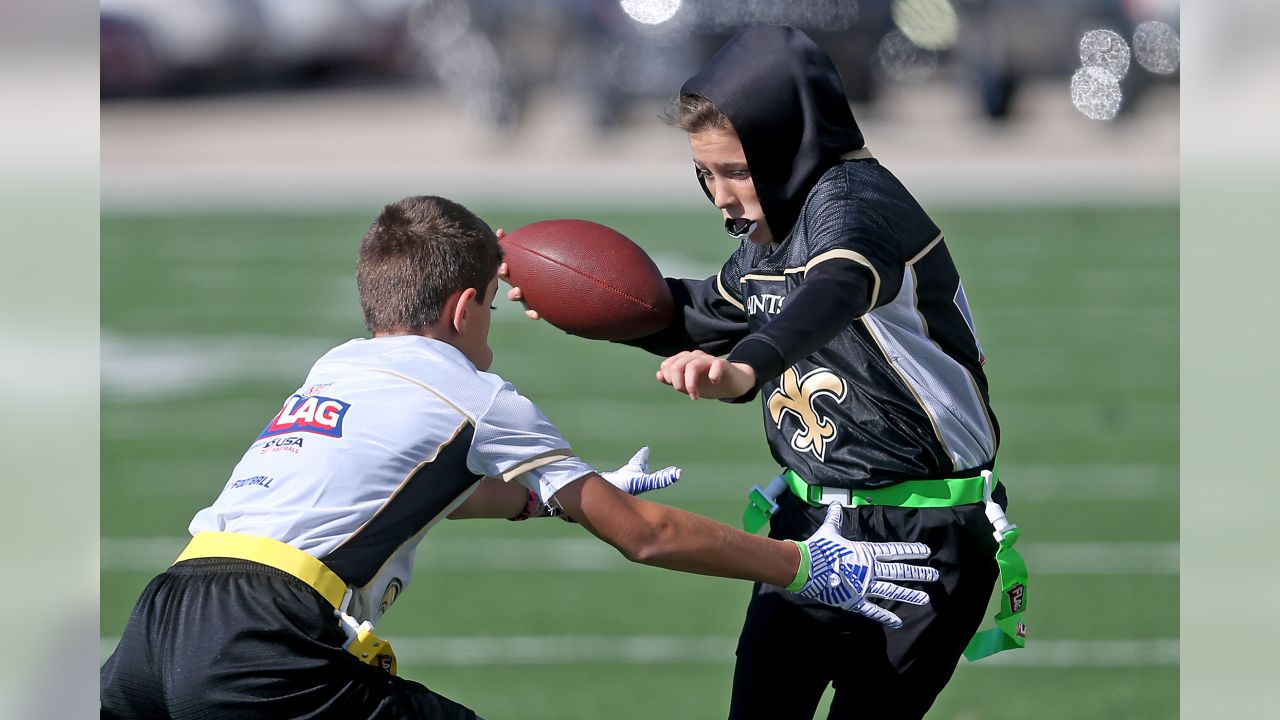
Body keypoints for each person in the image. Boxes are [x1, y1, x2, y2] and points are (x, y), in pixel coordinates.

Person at [100, 195, 941, 720]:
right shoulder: (477, 395)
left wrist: (543, 499)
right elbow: (643, 535)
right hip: (259, 638)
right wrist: (802, 565)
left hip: (158, 623)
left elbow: (419, 492)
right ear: (467, 306)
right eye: (493, 308)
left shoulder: (337, 366)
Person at [504, 25, 1026, 720]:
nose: (720, 195)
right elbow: (698, 315)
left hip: (920, 531)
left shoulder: (856, 205)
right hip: (808, 521)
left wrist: (745, 370)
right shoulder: (767, 237)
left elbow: (831, 293)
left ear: (791, 145)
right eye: (706, 173)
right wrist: (580, 303)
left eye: (738, 171)